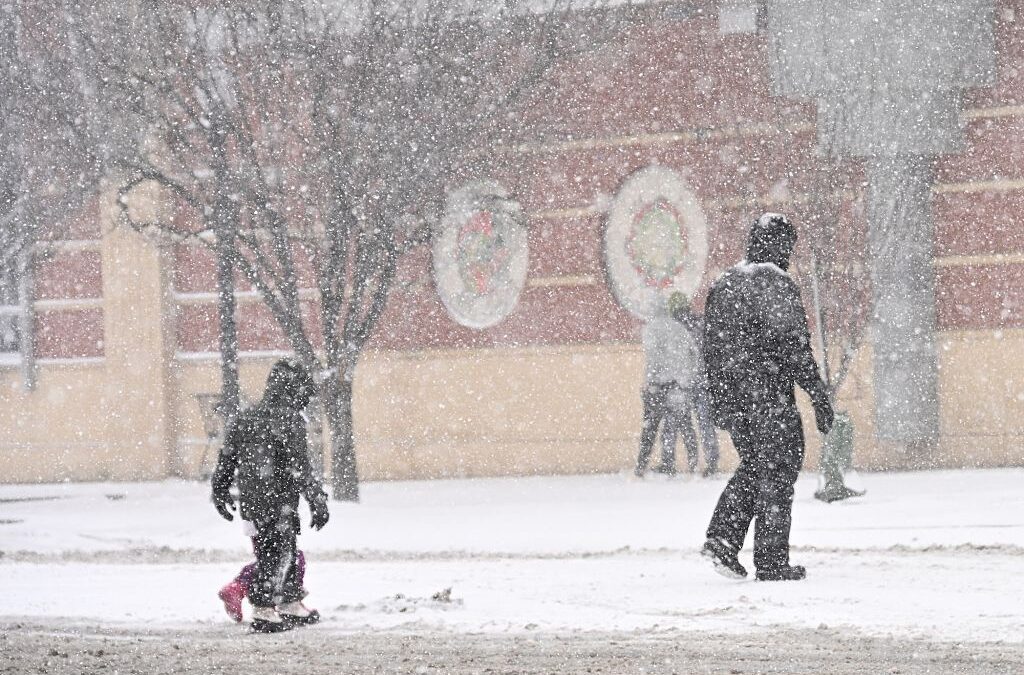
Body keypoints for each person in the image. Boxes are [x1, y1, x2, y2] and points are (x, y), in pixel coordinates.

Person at [700, 213, 833, 582]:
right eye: (787, 247)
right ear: (775, 244)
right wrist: (818, 395)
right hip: (768, 395)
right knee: (778, 469)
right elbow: (793, 347)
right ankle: (771, 561)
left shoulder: (725, 283)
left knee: (759, 466)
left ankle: (723, 539)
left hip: (736, 399)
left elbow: (709, 349)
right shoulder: (774, 283)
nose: (789, 256)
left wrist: (721, 402)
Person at [211, 358, 330, 632]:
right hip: (279, 501)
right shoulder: (290, 422)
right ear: (292, 390)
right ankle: (264, 609)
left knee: (276, 552)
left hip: (252, 502)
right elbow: (301, 468)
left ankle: (288, 601)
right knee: (279, 555)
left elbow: (227, 458)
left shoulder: (246, 418)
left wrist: (220, 489)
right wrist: (317, 501)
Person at [635, 292, 702, 477]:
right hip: (678, 386)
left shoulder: (650, 329)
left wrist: (649, 381)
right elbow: (693, 354)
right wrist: (686, 377)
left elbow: (653, 359)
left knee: (650, 428)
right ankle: (693, 464)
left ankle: (644, 466)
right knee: (685, 426)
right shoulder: (679, 328)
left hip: (657, 386)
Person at [660, 296, 720, 476]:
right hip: (703, 382)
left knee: (674, 424)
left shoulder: (672, 330)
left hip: (681, 383)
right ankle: (711, 462)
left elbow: (671, 358)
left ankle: (671, 463)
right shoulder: (701, 323)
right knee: (705, 424)